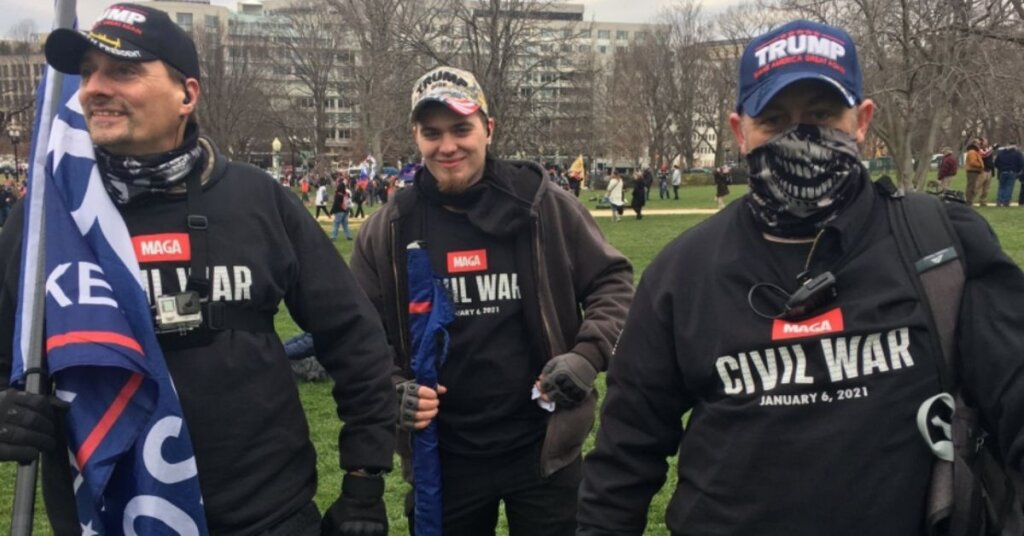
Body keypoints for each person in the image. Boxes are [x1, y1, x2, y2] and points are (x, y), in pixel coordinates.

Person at [577, 19, 1024, 536]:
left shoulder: (944, 244)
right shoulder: (684, 271)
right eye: (774, 119)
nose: (801, 137)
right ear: (739, 131)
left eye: (821, 114)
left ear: (862, 121)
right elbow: (625, 453)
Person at [0, 4, 396, 534]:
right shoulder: (47, 214)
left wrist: (365, 481)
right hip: (108, 518)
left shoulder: (258, 200)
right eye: (88, 72)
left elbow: (355, 341)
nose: (94, 87)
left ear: (186, 94)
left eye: (123, 71)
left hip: (266, 516)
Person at [350, 66, 633, 536]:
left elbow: (614, 282)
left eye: (462, 128)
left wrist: (585, 357)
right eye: (432, 133)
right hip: (443, 457)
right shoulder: (391, 226)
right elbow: (356, 334)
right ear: (415, 137)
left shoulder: (542, 206)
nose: (448, 147)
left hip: (544, 447)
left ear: (488, 128)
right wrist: (391, 389)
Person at [994, 141, 1024, 207]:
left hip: (1002, 172)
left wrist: (1001, 168)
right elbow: (1021, 163)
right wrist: (1017, 171)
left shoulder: (1001, 153)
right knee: (1009, 187)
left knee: (1001, 187)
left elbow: (996, 163)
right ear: (1014, 145)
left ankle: (999, 201)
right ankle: (1006, 202)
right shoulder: (1017, 153)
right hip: (1012, 172)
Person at [964, 140, 984, 204]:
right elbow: (972, 162)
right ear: (974, 144)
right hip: (972, 171)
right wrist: (980, 165)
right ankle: (968, 200)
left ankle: (970, 200)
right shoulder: (972, 152)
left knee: (973, 186)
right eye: (978, 144)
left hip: (975, 171)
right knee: (971, 187)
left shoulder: (975, 152)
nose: (979, 145)